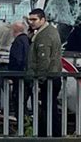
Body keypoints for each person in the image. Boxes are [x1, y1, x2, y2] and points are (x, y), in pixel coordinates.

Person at [27, 8, 62, 137]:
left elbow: (43, 60)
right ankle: (51, 135)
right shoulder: (50, 31)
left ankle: (47, 136)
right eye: (29, 19)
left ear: (43, 19)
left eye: (34, 19)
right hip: (53, 76)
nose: (31, 22)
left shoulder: (44, 36)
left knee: (45, 110)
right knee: (50, 109)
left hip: (46, 79)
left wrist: (40, 80)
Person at [9, 20, 30, 120]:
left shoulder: (18, 42)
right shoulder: (27, 40)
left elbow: (17, 60)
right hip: (27, 76)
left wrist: (12, 76)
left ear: (14, 31)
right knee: (24, 101)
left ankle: (22, 125)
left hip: (19, 77)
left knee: (19, 101)